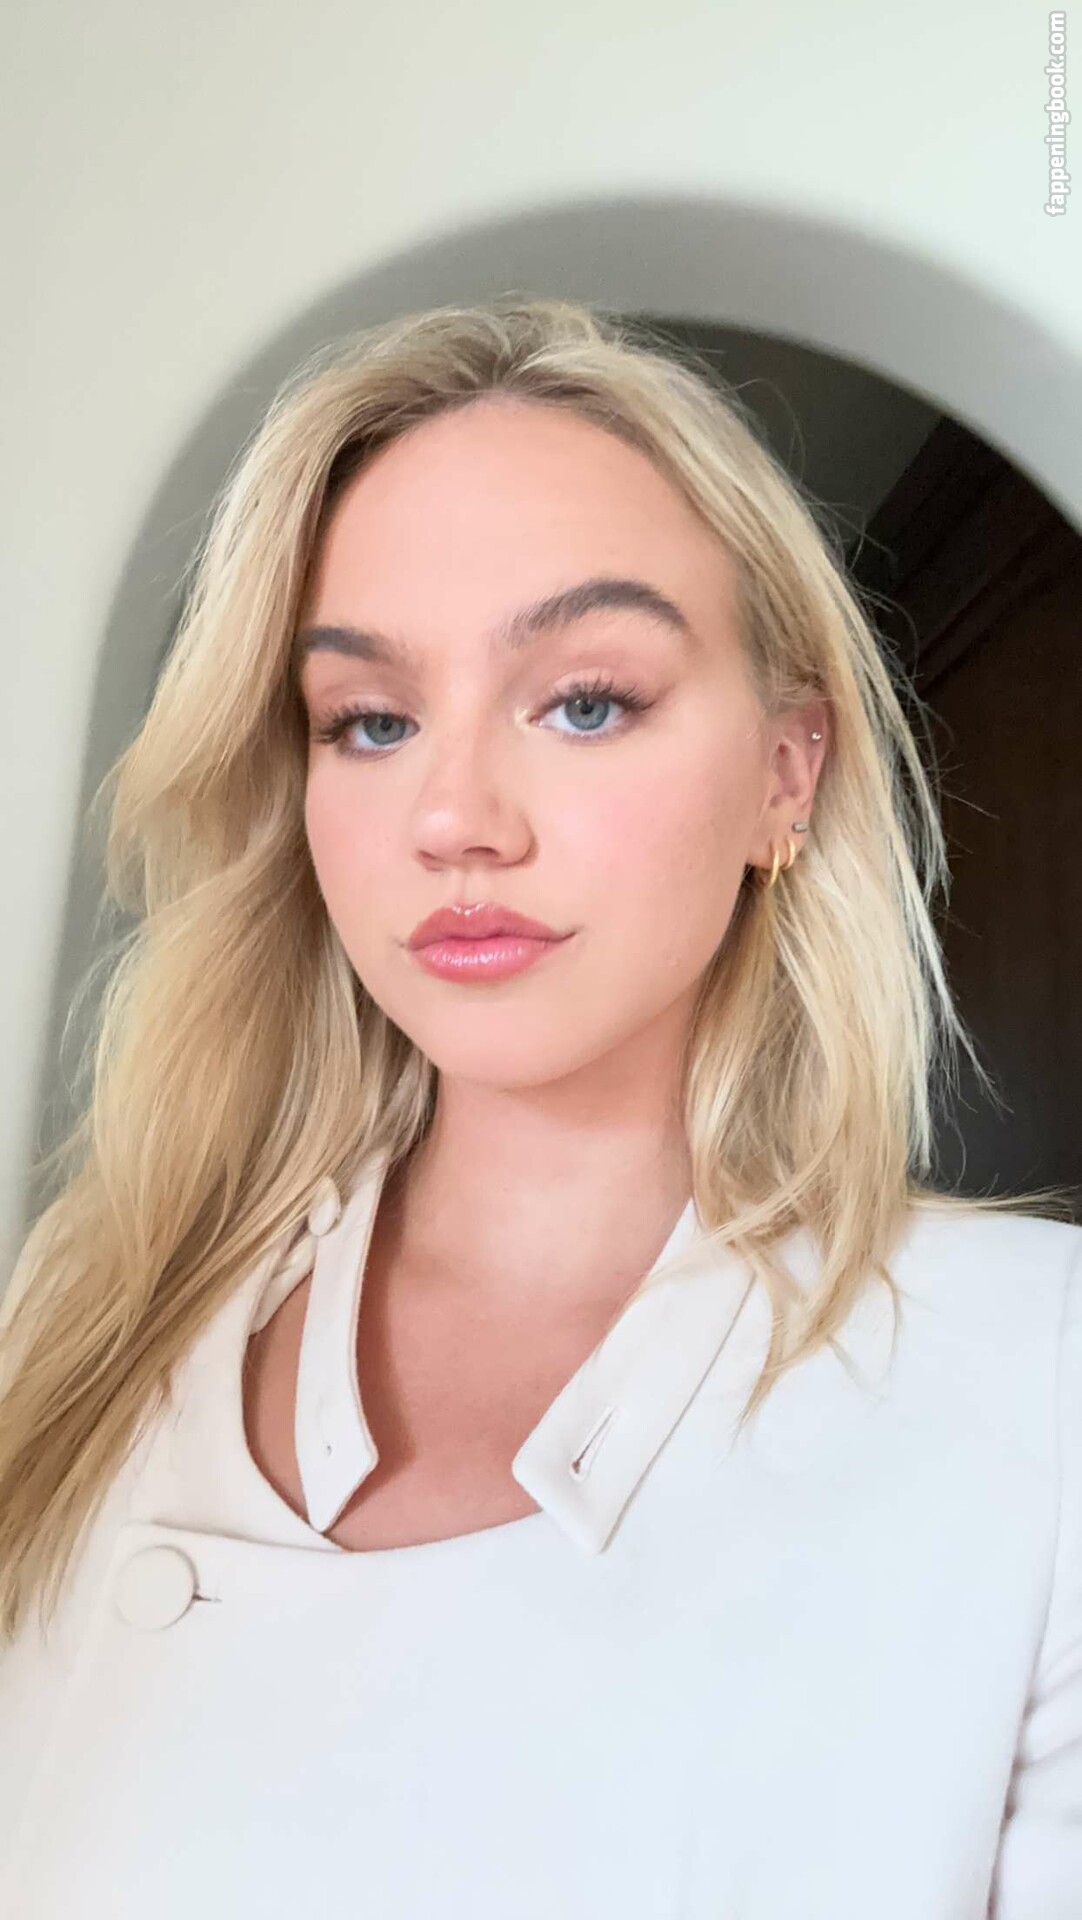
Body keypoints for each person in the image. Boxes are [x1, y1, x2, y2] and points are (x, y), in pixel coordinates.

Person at [0, 296, 1078, 1919]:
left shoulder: (1034, 1384)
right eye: (371, 720)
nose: (452, 817)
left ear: (785, 773)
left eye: (584, 701)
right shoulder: (88, 1318)